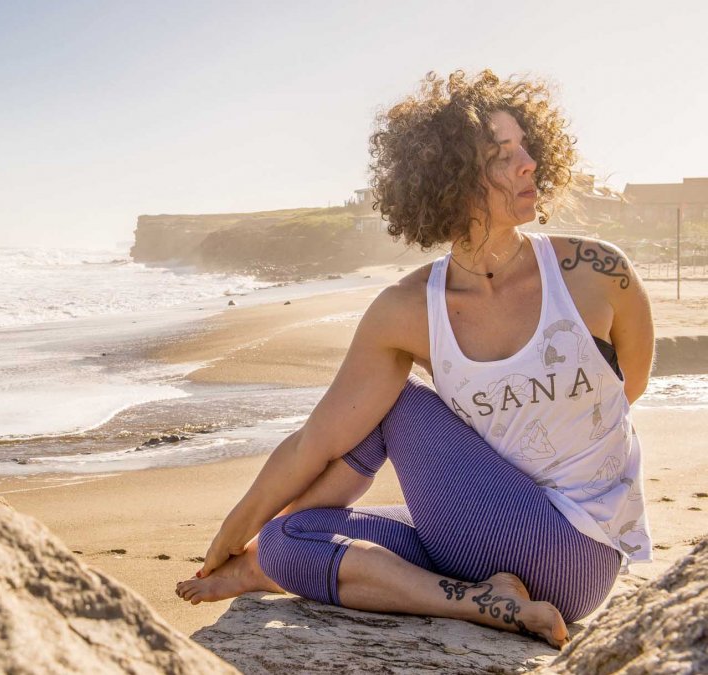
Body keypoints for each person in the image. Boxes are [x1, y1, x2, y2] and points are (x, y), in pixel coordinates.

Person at [174, 70, 653, 649]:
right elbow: (317, 442)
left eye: (526, 146)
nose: (528, 163)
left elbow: (632, 386)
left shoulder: (597, 274)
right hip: (488, 538)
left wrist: (520, 470)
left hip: (577, 544)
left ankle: (475, 600)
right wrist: (241, 529)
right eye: (503, 155)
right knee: (286, 539)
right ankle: (480, 600)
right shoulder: (411, 307)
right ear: (450, 181)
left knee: (394, 402)